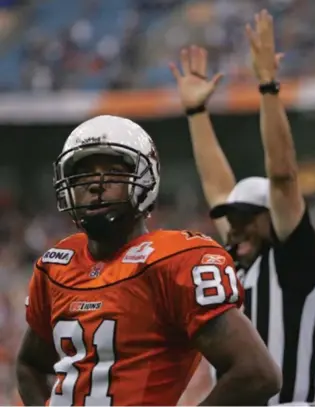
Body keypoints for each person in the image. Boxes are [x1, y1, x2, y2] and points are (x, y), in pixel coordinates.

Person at [15, 115, 281, 406]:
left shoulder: (175, 260)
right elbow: (29, 366)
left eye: (113, 172)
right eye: (83, 175)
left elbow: (257, 373)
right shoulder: (57, 264)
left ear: (144, 181)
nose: (95, 184)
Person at [170, 9, 315, 406]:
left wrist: (267, 87)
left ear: (273, 218)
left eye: (247, 219)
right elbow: (216, 188)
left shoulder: (294, 264)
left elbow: (282, 177)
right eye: (233, 221)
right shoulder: (237, 265)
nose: (237, 229)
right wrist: (196, 114)